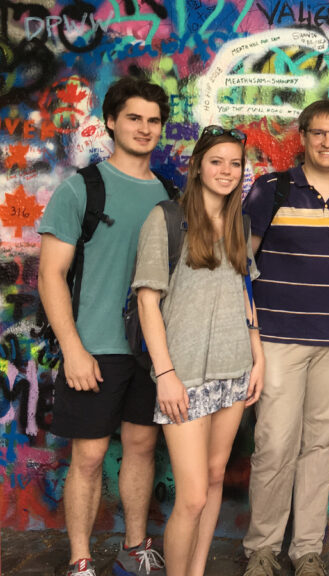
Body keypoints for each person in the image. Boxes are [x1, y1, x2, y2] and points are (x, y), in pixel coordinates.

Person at [38, 76, 171, 576]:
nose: (144, 128)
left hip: (148, 351)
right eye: (133, 118)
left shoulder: (169, 194)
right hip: (94, 347)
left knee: (141, 449)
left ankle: (135, 547)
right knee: (90, 457)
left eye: (153, 120)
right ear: (111, 121)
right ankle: (80, 560)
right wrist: (73, 348)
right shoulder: (82, 189)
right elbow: (51, 274)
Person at [242, 100, 329, 576]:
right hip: (278, 339)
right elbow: (241, 267)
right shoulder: (271, 191)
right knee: (275, 441)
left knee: (319, 445)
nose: (326, 142)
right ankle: (261, 548)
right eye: (317, 133)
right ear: (303, 137)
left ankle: (307, 551)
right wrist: (250, 333)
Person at [133, 125, 264, 576]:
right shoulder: (165, 218)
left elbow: (245, 294)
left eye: (235, 164)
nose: (227, 171)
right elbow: (147, 300)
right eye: (217, 161)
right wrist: (165, 373)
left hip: (233, 370)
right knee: (190, 496)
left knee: (211, 481)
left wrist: (258, 356)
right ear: (197, 167)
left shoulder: (238, 224)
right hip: (184, 375)